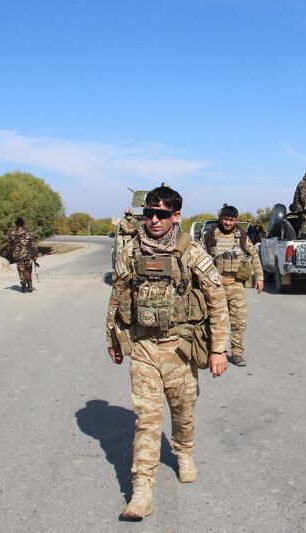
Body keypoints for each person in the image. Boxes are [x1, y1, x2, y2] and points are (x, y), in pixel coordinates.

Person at [104, 185, 229, 520]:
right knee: (146, 419)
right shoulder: (131, 249)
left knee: (183, 411)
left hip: (180, 348)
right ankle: (142, 490)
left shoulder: (191, 252)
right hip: (143, 347)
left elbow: (217, 299)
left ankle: (184, 451)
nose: (154, 220)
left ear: (176, 216)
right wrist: (112, 338)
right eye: (149, 213)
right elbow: (117, 295)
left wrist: (219, 349)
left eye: (162, 214)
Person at [202, 205, 264, 367]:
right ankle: (215, 351)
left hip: (235, 284)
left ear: (236, 220)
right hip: (215, 285)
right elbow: (200, 259)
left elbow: (254, 255)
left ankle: (236, 353)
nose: (228, 223)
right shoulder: (210, 236)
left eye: (231, 220)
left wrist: (260, 277)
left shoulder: (241, 236)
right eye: (226, 219)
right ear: (221, 218)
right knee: (213, 320)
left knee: (238, 321)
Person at [8, 217, 37, 293]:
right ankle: (30, 284)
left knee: (21, 270)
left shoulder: (12, 234)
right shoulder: (29, 233)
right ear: (23, 224)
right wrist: (35, 255)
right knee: (28, 269)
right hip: (28, 255)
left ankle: (23, 283)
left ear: (16, 224)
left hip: (18, 255)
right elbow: (33, 245)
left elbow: (11, 244)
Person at [292, 169, 306, 238]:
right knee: (305, 222)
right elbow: (304, 197)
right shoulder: (303, 184)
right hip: (301, 208)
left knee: (304, 222)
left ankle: (301, 236)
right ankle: (302, 238)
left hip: (303, 207)